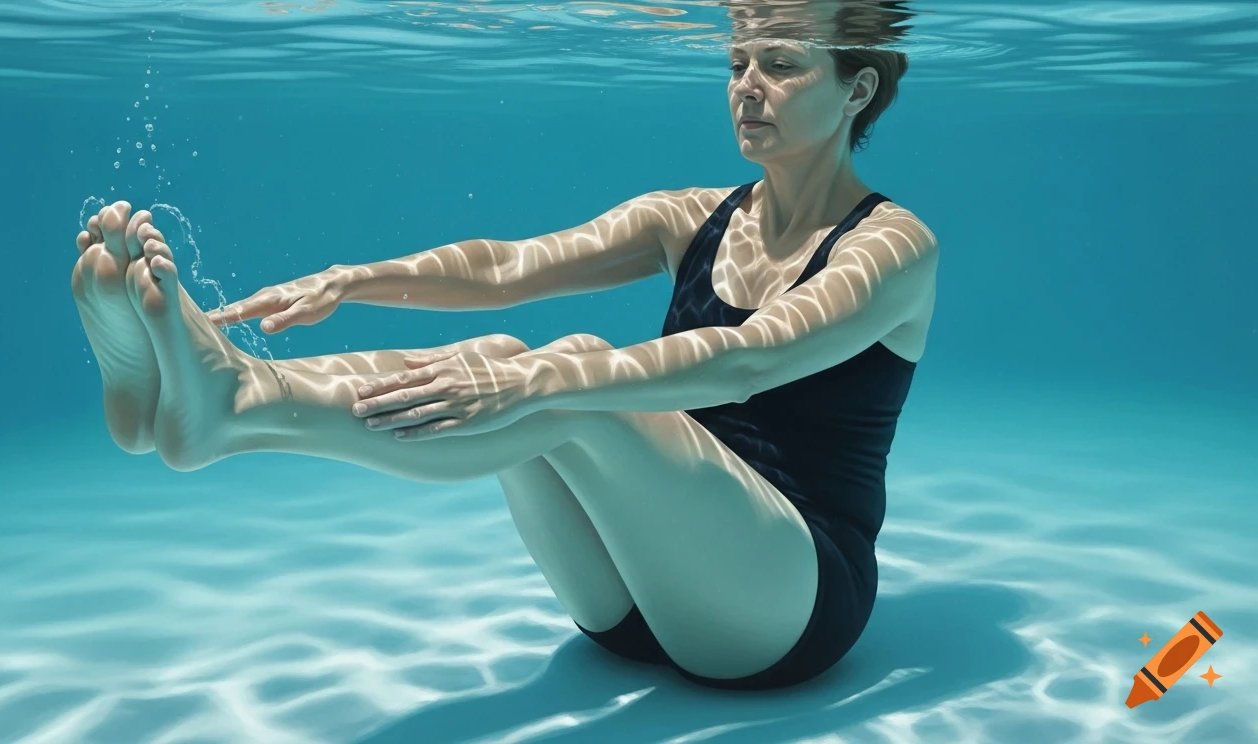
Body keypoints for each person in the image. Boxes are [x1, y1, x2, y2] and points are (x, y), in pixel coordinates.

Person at [72, 40, 938, 690]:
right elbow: (508, 267)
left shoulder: (893, 247)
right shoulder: (694, 216)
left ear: (857, 87)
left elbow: (749, 357)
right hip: (634, 592)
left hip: (784, 607)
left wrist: (543, 381)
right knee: (498, 358)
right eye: (737, 63)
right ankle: (236, 398)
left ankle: (233, 403)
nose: (747, 86)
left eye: (781, 65)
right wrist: (352, 278)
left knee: (565, 372)